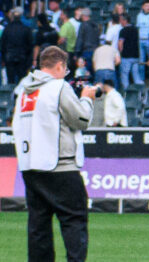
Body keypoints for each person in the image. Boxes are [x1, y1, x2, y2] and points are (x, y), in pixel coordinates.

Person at [12, 46, 96, 262]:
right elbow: (81, 120)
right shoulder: (58, 87)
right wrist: (87, 99)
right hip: (60, 166)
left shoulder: (24, 90)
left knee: (38, 227)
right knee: (74, 220)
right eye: (65, 69)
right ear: (59, 65)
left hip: (31, 166)